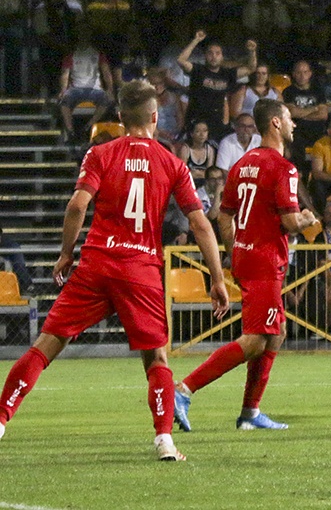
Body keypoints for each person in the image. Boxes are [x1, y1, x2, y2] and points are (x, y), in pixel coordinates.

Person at [0, 80, 229, 461]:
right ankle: (164, 441)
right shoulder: (172, 163)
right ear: (156, 117)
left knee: (45, 347)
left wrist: (65, 254)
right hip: (140, 269)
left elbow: (77, 206)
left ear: (120, 117)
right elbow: (201, 224)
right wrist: (218, 278)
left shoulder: (100, 153)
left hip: (97, 263)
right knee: (156, 359)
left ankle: (1, 420)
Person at [173, 99, 317, 432]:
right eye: (290, 119)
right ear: (276, 124)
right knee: (255, 339)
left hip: (246, 256)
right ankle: (183, 390)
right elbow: (291, 221)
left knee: (275, 332)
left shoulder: (240, 165)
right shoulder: (284, 167)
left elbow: (225, 214)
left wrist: (234, 249)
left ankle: (250, 413)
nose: (294, 124)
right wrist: (306, 218)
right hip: (267, 259)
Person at [177, 30, 257, 141]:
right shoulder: (198, 70)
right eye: (210, 53)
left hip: (217, 124)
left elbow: (250, 68)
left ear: (222, 57)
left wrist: (252, 52)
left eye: (217, 53)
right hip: (197, 123)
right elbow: (181, 60)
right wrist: (196, 41)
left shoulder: (227, 74)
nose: (213, 56)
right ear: (205, 55)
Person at [177, 120, 217, 184]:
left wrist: (196, 173)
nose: (202, 134)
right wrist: (200, 173)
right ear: (191, 134)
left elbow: (209, 174)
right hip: (188, 183)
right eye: (198, 131)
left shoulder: (210, 150)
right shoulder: (185, 149)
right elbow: (182, 173)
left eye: (205, 131)